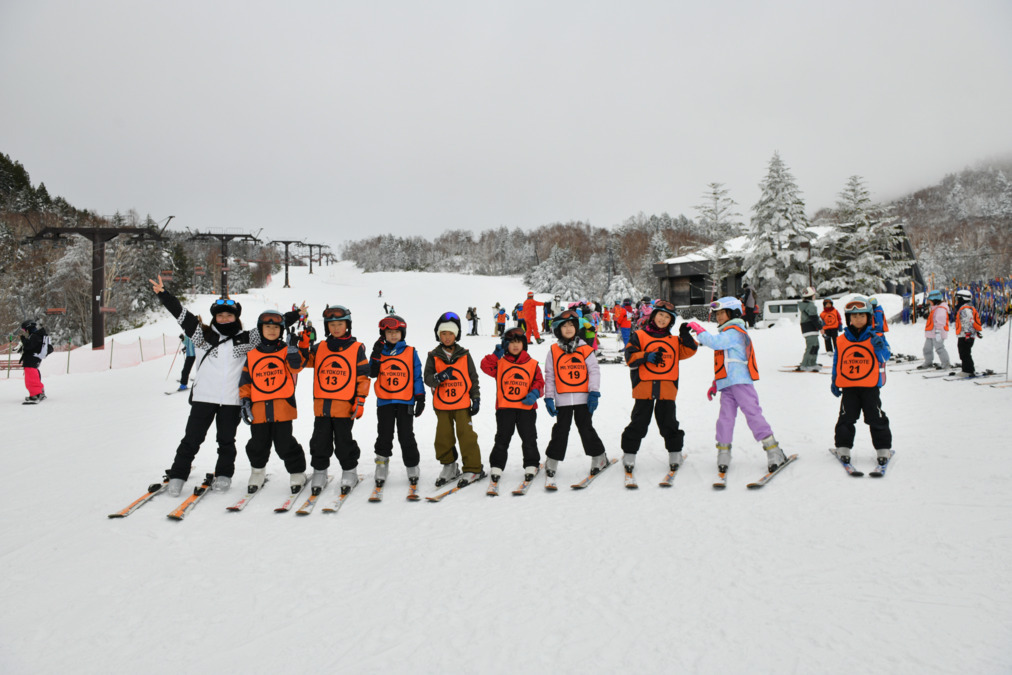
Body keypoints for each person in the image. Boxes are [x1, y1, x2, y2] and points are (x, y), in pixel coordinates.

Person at [148, 275, 303, 496]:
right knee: (191, 439)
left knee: (226, 441)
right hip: (204, 397)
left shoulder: (246, 339)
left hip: (231, 400)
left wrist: (297, 314)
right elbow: (181, 315)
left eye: (228, 315)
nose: (224, 319)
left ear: (236, 317)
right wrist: (164, 295)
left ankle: (224, 474)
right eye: (220, 315)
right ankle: (178, 474)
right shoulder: (203, 335)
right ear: (214, 318)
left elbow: (274, 324)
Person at [685, 298, 787, 474]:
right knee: (725, 419)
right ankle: (723, 453)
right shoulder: (727, 332)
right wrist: (716, 383)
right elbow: (725, 362)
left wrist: (699, 330)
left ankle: (773, 451)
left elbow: (715, 343)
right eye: (716, 314)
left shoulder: (735, 331)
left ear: (733, 313)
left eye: (722, 313)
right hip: (728, 385)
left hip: (741, 382)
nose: (718, 317)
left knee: (752, 414)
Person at [620, 300, 697, 475]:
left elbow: (691, 350)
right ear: (653, 316)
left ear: (671, 321)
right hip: (644, 388)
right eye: (660, 315)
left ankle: (675, 453)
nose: (663, 319)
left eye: (667, 317)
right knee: (639, 422)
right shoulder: (639, 336)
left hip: (667, 389)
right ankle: (629, 453)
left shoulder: (674, 341)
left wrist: (685, 335)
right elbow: (629, 357)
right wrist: (646, 356)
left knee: (669, 423)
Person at [301, 305, 370, 495]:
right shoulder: (320, 347)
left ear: (347, 325)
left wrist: (360, 400)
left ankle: (349, 471)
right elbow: (299, 363)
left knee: (343, 441)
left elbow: (363, 376)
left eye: (340, 324)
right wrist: (300, 345)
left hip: (344, 407)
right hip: (322, 407)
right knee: (319, 441)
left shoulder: (356, 348)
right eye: (332, 325)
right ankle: (319, 472)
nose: (336, 328)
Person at [239, 309, 310, 494]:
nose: (271, 331)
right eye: (267, 327)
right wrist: (245, 400)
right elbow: (246, 380)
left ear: (281, 330)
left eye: (275, 328)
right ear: (260, 330)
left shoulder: (286, 350)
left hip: (282, 407)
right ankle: (257, 471)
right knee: (258, 442)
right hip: (259, 408)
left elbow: (296, 368)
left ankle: (297, 472)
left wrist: (293, 351)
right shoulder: (252, 354)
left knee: (284, 443)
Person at [542, 310, 607, 481]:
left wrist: (594, 392)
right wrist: (549, 397)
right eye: (565, 326)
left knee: (585, 428)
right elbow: (550, 375)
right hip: (562, 399)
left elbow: (594, 371)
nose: (569, 328)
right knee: (560, 431)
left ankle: (599, 457)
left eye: (571, 325)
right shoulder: (554, 351)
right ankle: (552, 459)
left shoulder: (585, 349)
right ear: (558, 330)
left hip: (584, 398)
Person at [829, 296, 893, 467]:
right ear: (849, 318)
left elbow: (885, 356)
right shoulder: (841, 339)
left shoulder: (875, 336)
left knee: (875, 417)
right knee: (846, 417)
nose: (858, 320)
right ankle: (843, 446)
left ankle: (883, 447)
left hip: (870, 386)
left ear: (869, 317)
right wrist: (835, 380)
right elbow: (838, 361)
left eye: (862, 316)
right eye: (854, 316)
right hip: (849, 387)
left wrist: (880, 346)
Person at [423, 311, 484, 487]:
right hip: (442, 404)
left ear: (456, 335)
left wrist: (476, 397)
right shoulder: (433, 355)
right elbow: (427, 377)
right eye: (443, 333)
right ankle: (449, 466)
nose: (447, 337)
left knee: (466, 435)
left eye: (450, 333)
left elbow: (473, 378)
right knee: (443, 436)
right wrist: (439, 378)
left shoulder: (464, 354)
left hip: (462, 403)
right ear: (438, 335)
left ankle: (473, 468)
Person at [480, 326, 544, 489]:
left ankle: (531, 464)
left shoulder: (532, 364)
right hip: (505, 408)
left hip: (526, 409)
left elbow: (540, 383)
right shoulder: (500, 363)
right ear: (506, 344)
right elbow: (485, 366)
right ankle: (497, 465)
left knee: (529, 438)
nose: (515, 346)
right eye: (511, 342)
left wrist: (535, 393)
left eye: (518, 342)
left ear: (524, 344)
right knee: (502, 438)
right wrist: (495, 355)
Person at [368, 314, 425, 489]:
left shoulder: (410, 352)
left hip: (405, 401)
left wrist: (420, 396)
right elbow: (372, 372)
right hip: (385, 401)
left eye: (397, 332)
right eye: (389, 332)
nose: (393, 335)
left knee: (406, 435)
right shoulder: (380, 352)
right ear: (383, 334)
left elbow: (416, 375)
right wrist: (376, 354)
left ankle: (412, 465)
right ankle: (382, 465)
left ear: (403, 333)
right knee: (384, 434)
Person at [17, 320, 51, 403]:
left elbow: (29, 346)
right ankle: (40, 392)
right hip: (34, 359)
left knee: (30, 379)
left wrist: (23, 339)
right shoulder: (38, 335)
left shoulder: (35, 336)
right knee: (34, 377)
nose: (25, 331)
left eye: (25, 330)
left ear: (28, 328)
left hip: (31, 360)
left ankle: (35, 395)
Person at [918, 290, 951, 370]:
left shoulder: (941, 309)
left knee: (939, 348)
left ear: (935, 300)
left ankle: (946, 364)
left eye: (930, 301)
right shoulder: (935, 308)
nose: (929, 302)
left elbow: (940, 320)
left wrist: (938, 332)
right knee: (927, 348)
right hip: (931, 332)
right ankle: (928, 362)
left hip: (938, 332)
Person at [953, 289, 982, 377]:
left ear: (962, 299)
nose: (957, 301)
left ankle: (967, 370)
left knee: (964, 353)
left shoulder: (965, 309)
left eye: (958, 299)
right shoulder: (968, 307)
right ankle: (968, 369)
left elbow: (968, 321)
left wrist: (968, 334)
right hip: (965, 334)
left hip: (966, 335)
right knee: (964, 352)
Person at [798, 287, 821, 371]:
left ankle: (812, 363)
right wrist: (820, 327)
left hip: (809, 329)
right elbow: (814, 318)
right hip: (810, 328)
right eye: (814, 295)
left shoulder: (806, 305)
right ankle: (805, 364)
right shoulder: (810, 306)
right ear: (811, 296)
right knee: (811, 347)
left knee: (815, 346)